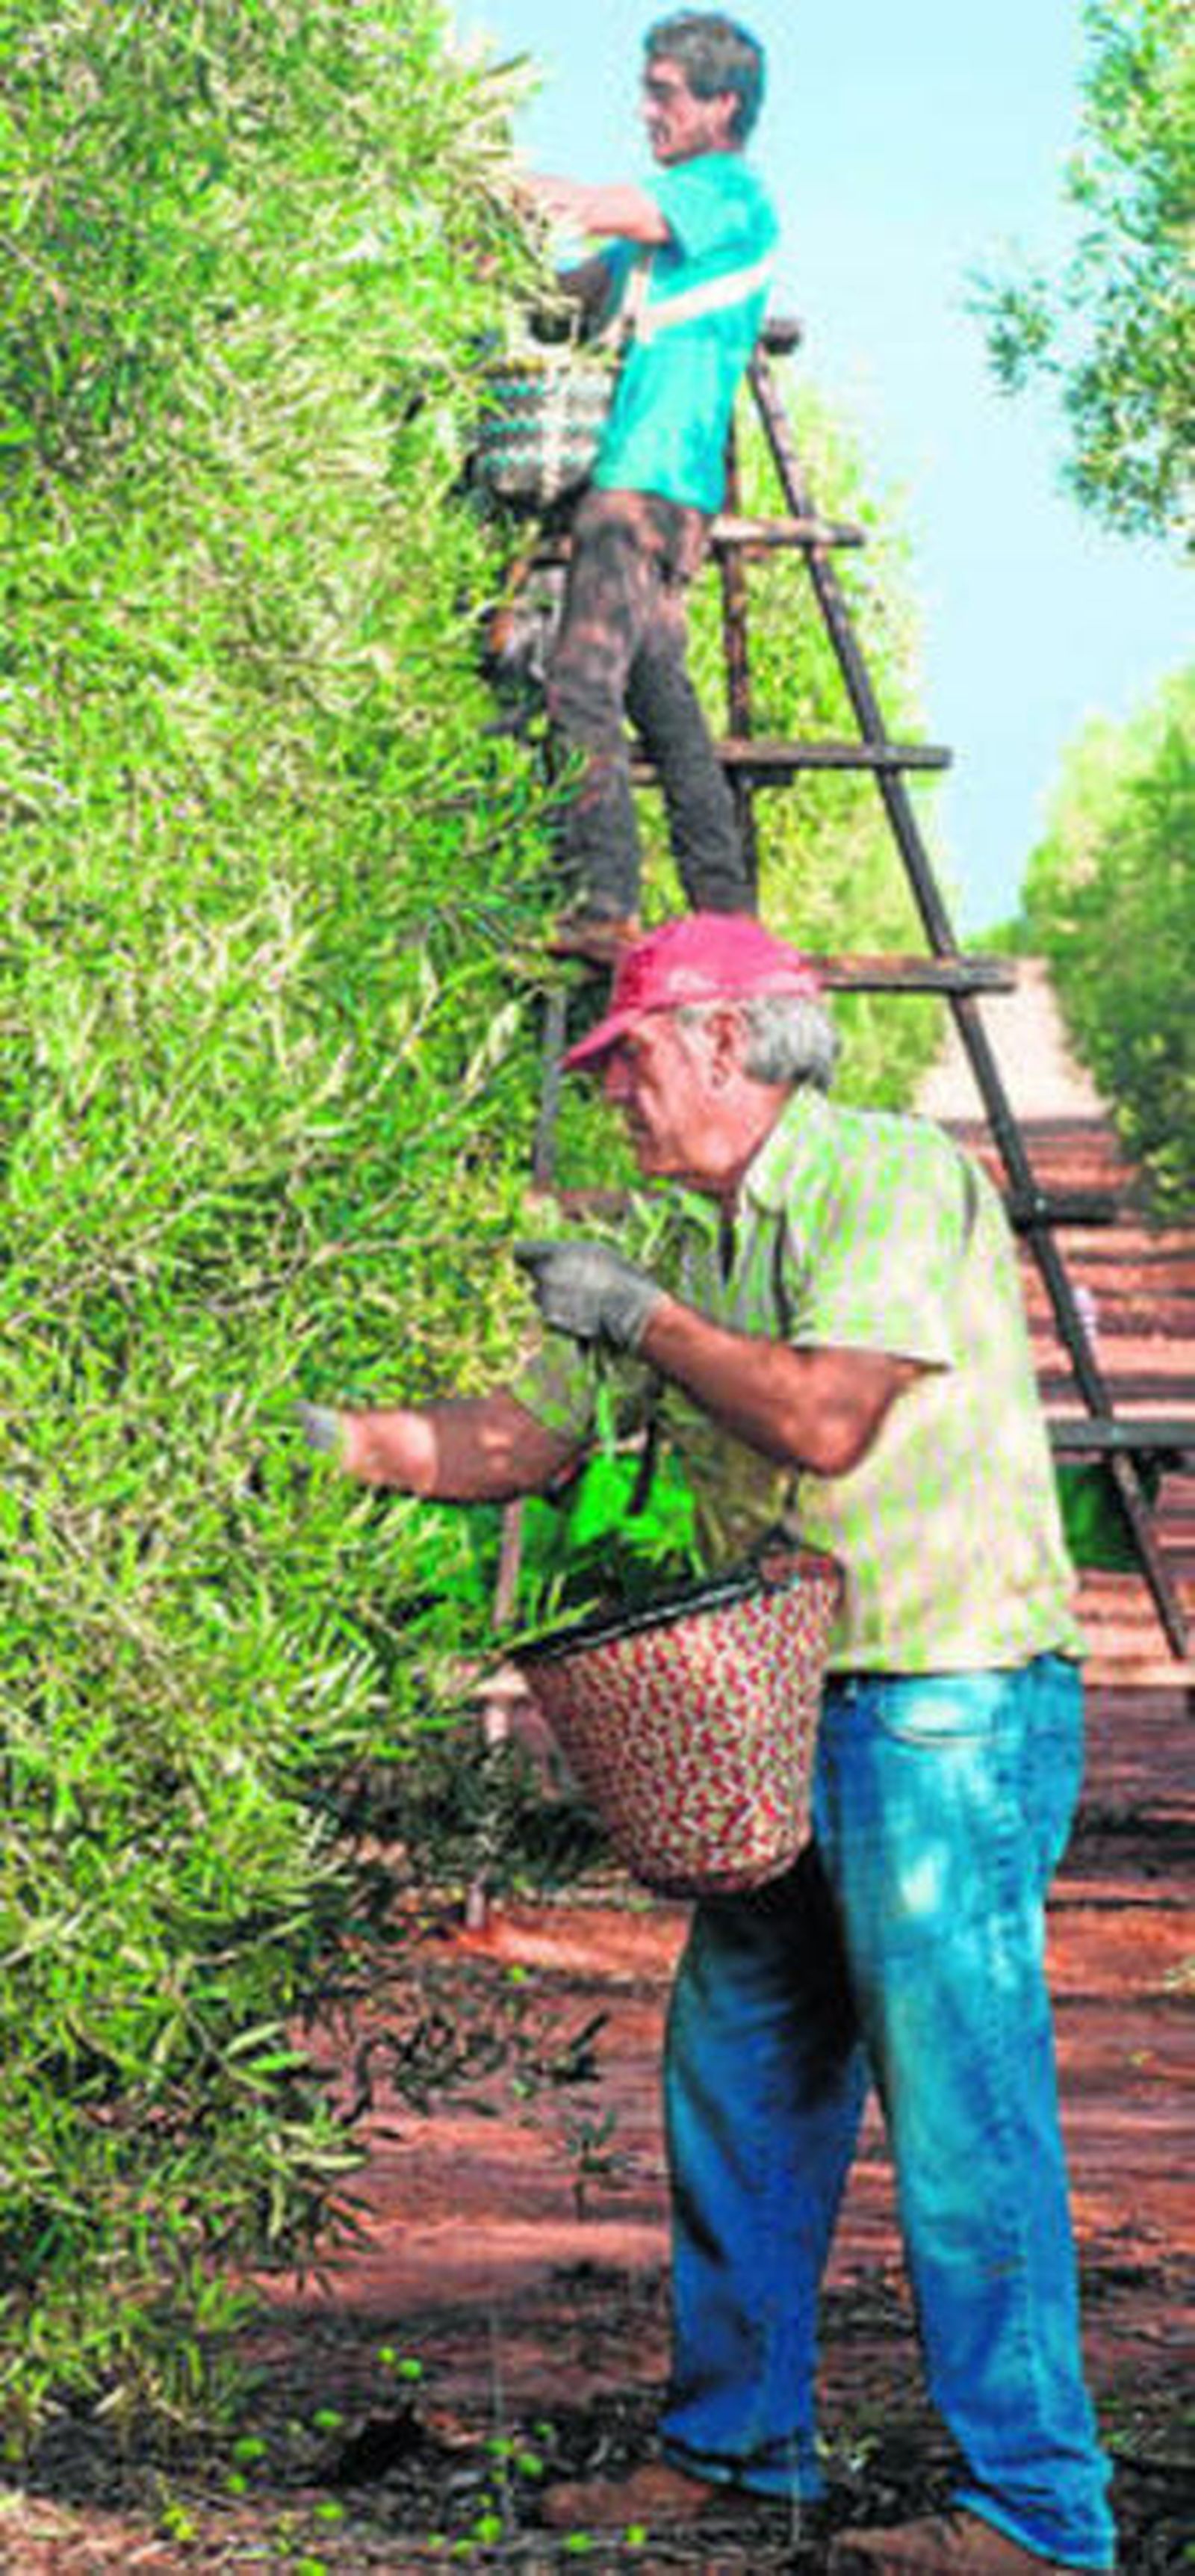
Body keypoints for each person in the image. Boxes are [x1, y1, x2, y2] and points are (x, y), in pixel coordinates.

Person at [298, 913, 1115, 2575]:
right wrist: (332, 1445)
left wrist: (643, 1314)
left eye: (631, 1062)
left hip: (942, 1702)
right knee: (736, 2082)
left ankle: (1042, 2513)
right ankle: (739, 2448)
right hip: (780, 1709)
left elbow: (823, 1411)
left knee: (961, 2114)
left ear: (730, 1043)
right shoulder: (685, 1230)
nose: (614, 1099)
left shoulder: (885, 1174)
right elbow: (522, 1440)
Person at [524, 14, 778, 963]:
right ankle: (726, 913)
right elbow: (566, 290)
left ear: (723, 105)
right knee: (660, 697)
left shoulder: (726, 196)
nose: (647, 110)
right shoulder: (656, 237)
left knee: (577, 685)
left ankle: (605, 906)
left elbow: (599, 208)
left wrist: (495, 182)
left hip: (643, 487)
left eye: (665, 92)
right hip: (666, 491)